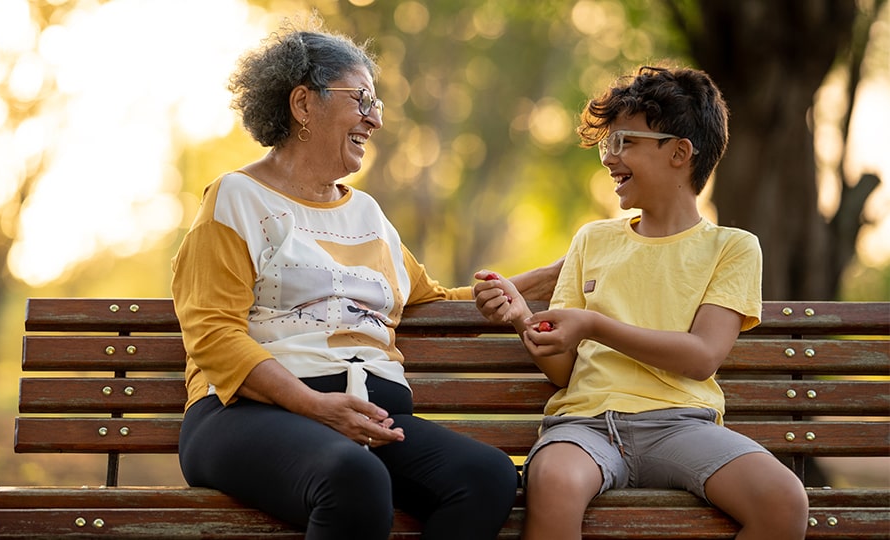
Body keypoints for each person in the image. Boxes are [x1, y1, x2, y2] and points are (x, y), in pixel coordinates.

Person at [170, 17, 560, 540]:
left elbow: (431, 298)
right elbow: (214, 333)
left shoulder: (369, 215)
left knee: (486, 476)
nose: (375, 120)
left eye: (375, 105)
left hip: (366, 421)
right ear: (304, 104)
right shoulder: (237, 198)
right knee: (353, 477)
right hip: (242, 415)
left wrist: (560, 273)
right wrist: (316, 406)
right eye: (362, 100)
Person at [473, 65, 809, 540]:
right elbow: (564, 371)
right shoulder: (593, 240)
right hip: (586, 425)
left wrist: (593, 325)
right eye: (608, 145)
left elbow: (702, 356)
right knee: (553, 479)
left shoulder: (732, 247)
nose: (609, 158)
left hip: (681, 426)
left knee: (784, 500)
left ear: (679, 153)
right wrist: (520, 317)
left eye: (623, 142)